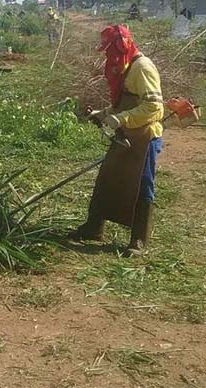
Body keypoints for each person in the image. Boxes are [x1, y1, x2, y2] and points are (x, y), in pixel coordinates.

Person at [70, 24, 164, 257]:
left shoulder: (142, 67)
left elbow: (154, 107)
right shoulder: (124, 67)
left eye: (112, 50)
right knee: (107, 178)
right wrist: (102, 115)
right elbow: (124, 103)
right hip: (126, 133)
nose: (108, 55)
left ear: (123, 46)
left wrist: (120, 119)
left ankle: (139, 240)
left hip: (145, 136)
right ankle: (94, 228)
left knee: (142, 184)